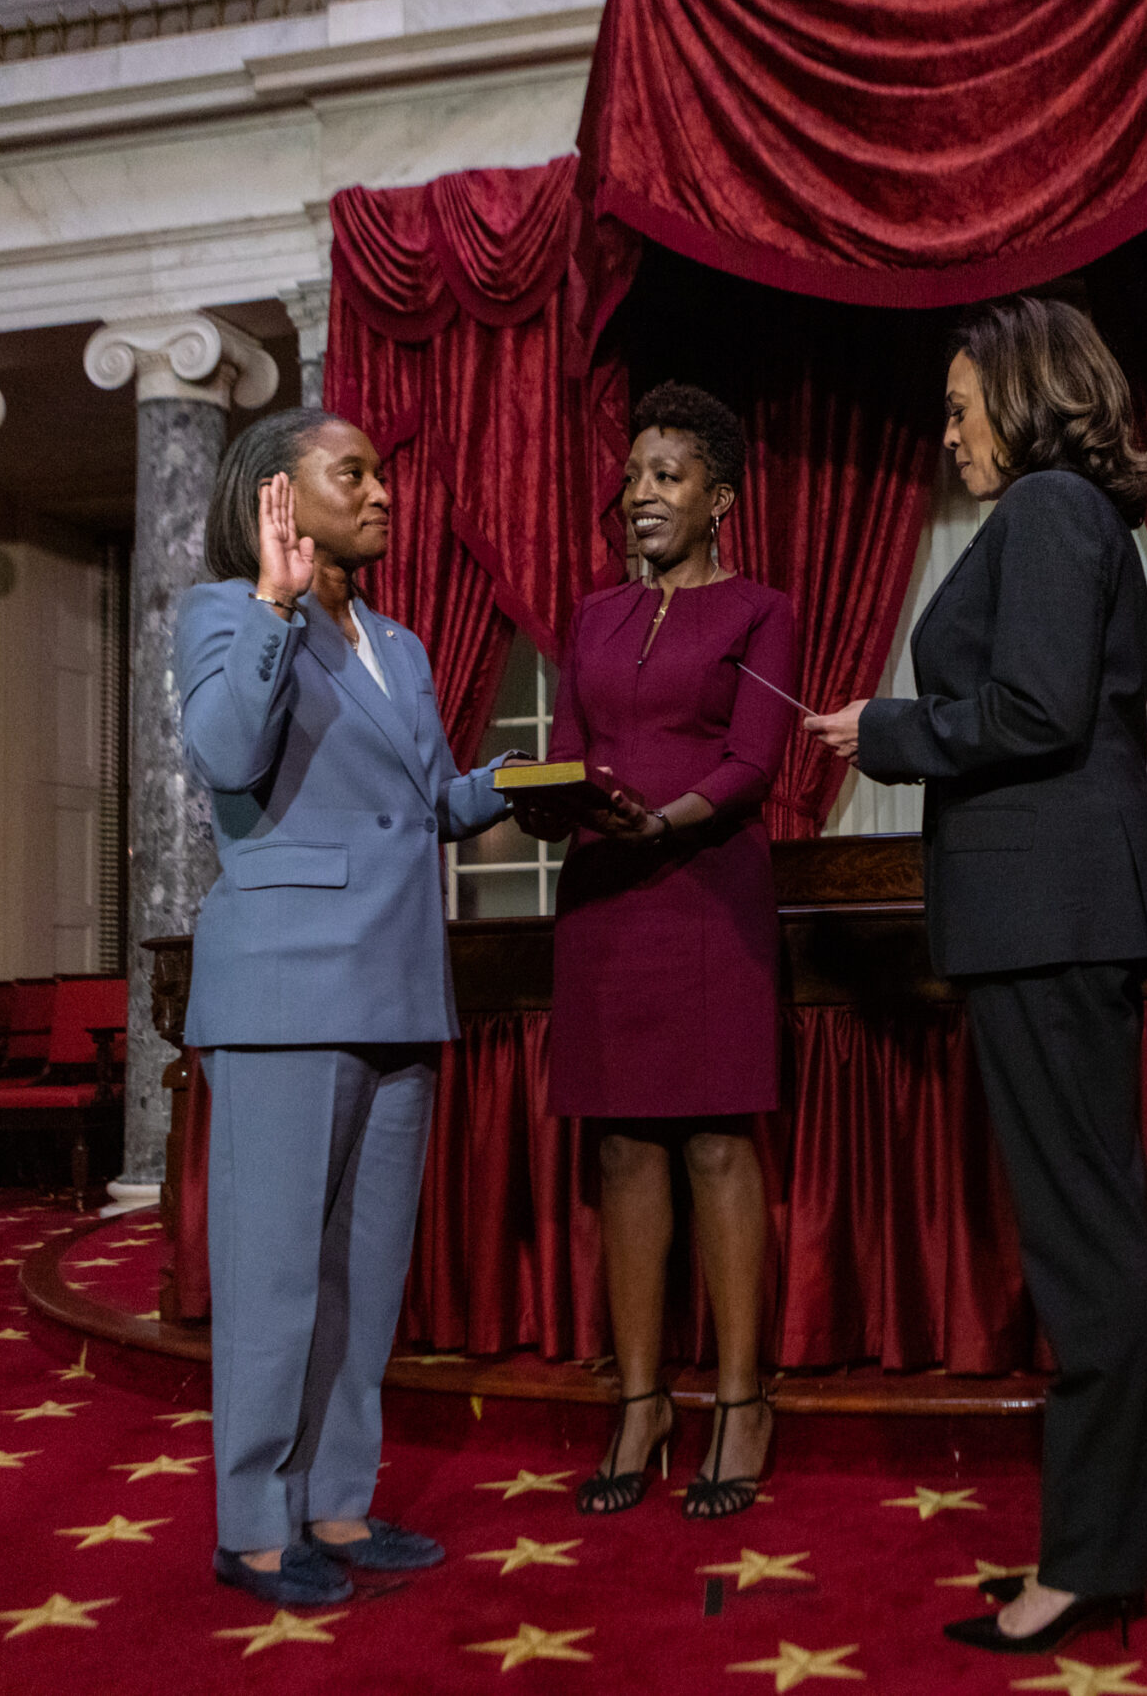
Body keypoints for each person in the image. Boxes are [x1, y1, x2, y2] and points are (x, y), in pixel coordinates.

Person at [803, 297, 1147, 1654]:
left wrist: (886, 729)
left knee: (1086, 1250)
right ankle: (1108, 1546)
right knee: (1097, 1239)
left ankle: (1087, 1562)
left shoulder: (1051, 512)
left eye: (963, 408)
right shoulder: (1074, 516)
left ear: (1022, 400)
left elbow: (1034, 712)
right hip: (1061, 912)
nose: (950, 432)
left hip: (1053, 913)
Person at [175, 407, 515, 1606]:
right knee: (275, 1278)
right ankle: (253, 1527)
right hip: (286, 994)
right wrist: (272, 605)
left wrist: (524, 781)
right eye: (352, 474)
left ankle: (336, 1502)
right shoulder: (222, 612)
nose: (382, 494)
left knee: (365, 1280)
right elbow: (224, 754)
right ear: (278, 495)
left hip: (399, 987)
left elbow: (432, 801)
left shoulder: (403, 645)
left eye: (382, 475)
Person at [524, 381, 796, 1520]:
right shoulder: (588, 619)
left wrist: (665, 820)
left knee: (717, 1150)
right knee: (624, 1150)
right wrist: (544, 802)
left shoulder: (760, 610)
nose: (640, 493)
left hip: (707, 895)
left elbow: (755, 759)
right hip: (603, 903)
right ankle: (640, 1403)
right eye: (633, 475)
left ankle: (740, 1402)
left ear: (719, 499)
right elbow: (572, 750)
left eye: (667, 475)